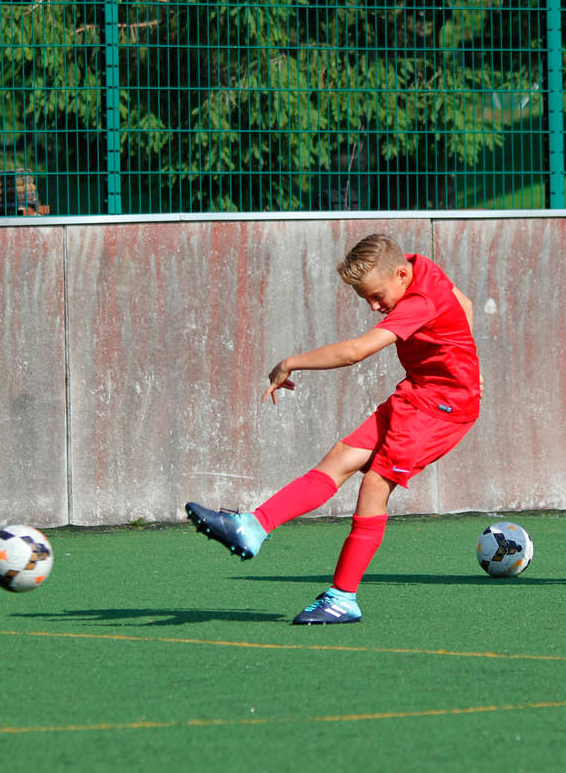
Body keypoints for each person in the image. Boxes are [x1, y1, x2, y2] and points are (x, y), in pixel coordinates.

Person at [186, 233, 482, 623]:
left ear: (400, 275)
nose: (376, 307)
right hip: (418, 394)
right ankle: (253, 527)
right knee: (341, 456)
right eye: (367, 300)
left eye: (378, 296)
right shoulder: (417, 265)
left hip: (441, 408)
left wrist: (291, 362)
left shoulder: (418, 300)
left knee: (375, 483)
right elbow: (465, 303)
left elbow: (354, 352)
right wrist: (464, 359)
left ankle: (343, 597)